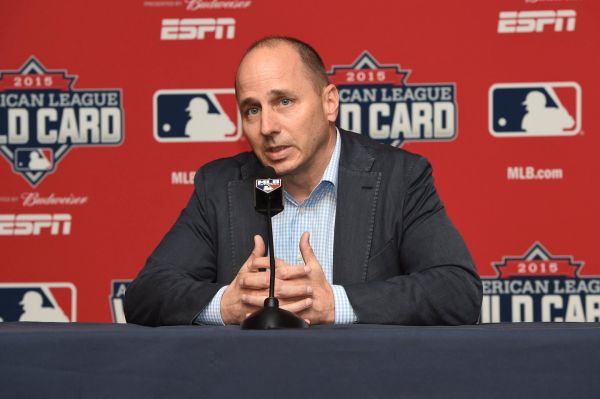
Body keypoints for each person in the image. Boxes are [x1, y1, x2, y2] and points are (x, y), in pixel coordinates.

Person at [124, 36, 482, 326]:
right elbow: (146, 295)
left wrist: (333, 304)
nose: (267, 127)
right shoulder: (219, 186)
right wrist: (227, 305)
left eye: (284, 101)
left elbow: (456, 291)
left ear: (329, 103)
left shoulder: (401, 179)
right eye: (252, 109)